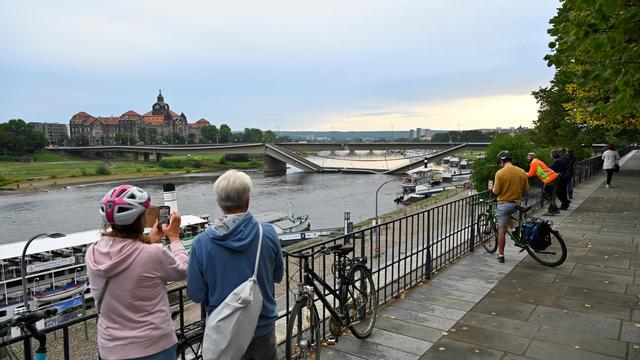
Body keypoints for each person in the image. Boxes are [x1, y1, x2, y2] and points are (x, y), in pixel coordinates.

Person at [187, 170, 284, 360]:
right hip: (261, 327)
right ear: (248, 201)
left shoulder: (201, 243)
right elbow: (277, 275)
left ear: (219, 203)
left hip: (224, 333)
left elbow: (196, 294)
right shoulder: (268, 234)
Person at [86, 185, 188, 360]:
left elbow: (127, 255)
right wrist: (174, 238)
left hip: (111, 348)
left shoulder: (92, 252)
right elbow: (184, 270)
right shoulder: (154, 253)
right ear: (140, 218)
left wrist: (151, 240)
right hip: (153, 346)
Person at [491, 150, 529, 263]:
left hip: (503, 204)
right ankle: (517, 235)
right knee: (513, 219)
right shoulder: (521, 172)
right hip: (517, 204)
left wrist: (492, 188)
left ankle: (501, 255)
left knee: (501, 230)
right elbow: (526, 190)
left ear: (502, 161)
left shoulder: (500, 173)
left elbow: (496, 191)